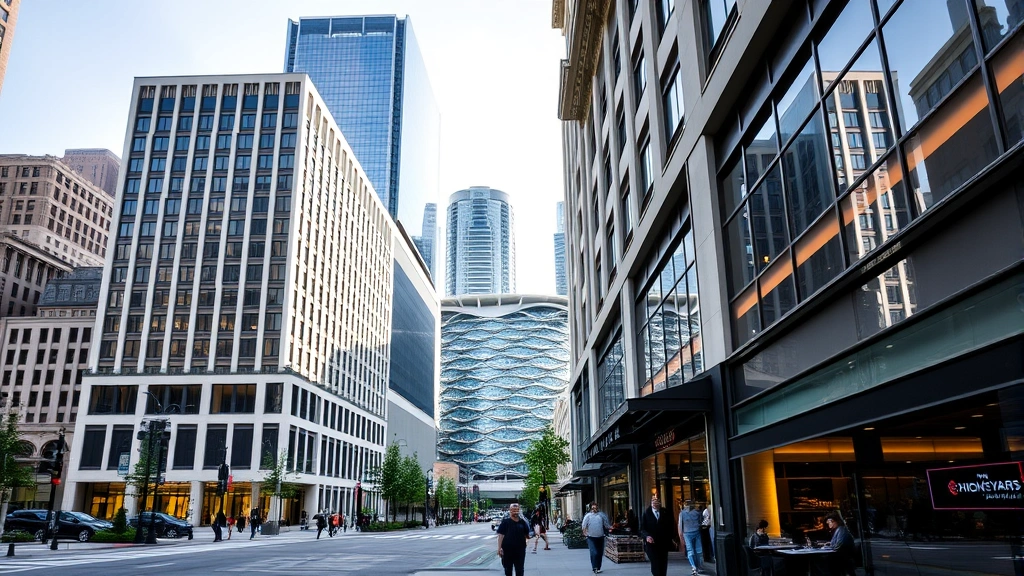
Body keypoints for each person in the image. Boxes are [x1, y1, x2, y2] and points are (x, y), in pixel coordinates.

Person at [640, 495, 677, 576]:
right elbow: (642, 529)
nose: (655, 504)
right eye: (653, 502)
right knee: (655, 562)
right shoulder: (646, 513)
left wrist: (672, 538)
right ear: (651, 503)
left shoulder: (665, 512)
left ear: (660, 503)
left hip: (663, 543)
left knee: (663, 563)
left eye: (657, 502)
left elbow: (671, 526)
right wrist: (647, 536)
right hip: (652, 543)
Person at [496, 503, 531, 576]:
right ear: (510, 511)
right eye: (513, 510)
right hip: (507, 550)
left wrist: (527, 540)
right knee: (508, 570)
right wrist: (499, 548)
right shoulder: (505, 522)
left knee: (520, 570)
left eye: (517, 510)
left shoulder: (523, 522)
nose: (515, 512)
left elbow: (527, 535)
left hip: (520, 550)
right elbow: (500, 535)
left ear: (519, 510)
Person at [581, 501, 611, 574]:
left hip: (600, 537)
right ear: (591, 508)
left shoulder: (601, 515)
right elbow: (584, 526)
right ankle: (594, 567)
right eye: (593, 507)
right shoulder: (588, 516)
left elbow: (606, 524)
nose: (594, 509)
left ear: (597, 507)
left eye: (595, 507)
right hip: (591, 537)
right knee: (594, 552)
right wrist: (585, 533)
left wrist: (610, 528)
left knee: (600, 553)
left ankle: (598, 567)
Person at [824, 511, 856, 576]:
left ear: (834, 521)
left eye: (830, 522)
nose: (829, 525)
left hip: (843, 559)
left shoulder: (841, 530)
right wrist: (829, 544)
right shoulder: (838, 530)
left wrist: (827, 547)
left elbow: (839, 546)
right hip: (842, 559)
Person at [678, 499, 704, 576]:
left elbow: (680, 525)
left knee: (690, 550)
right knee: (698, 550)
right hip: (696, 531)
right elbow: (701, 523)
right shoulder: (698, 512)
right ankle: (698, 566)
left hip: (687, 532)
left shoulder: (682, 513)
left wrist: (681, 535)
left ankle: (693, 566)